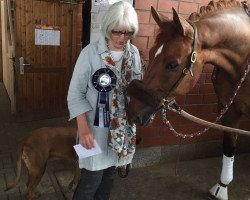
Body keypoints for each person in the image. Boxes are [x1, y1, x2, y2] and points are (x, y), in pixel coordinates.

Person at [67, 1, 142, 199]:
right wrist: (82, 129)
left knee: (109, 176)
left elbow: (136, 89)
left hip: (121, 131)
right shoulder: (90, 53)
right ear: (108, 28)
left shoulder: (134, 54)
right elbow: (75, 93)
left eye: (128, 33)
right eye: (117, 32)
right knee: (90, 180)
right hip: (92, 130)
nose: (122, 38)